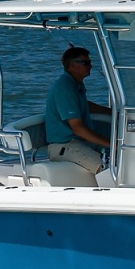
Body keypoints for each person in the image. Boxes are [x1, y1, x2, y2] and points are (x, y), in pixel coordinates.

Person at [44, 46, 112, 174]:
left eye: (90, 63)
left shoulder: (75, 84)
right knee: (107, 169)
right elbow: (77, 128)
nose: (90, 66)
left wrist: (112, 112)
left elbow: (84, 105)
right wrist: (110, 143)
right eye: (85, 63)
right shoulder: (64, 88)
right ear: (72, 65)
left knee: (123, 158)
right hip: (66, 146)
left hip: (79, 143)